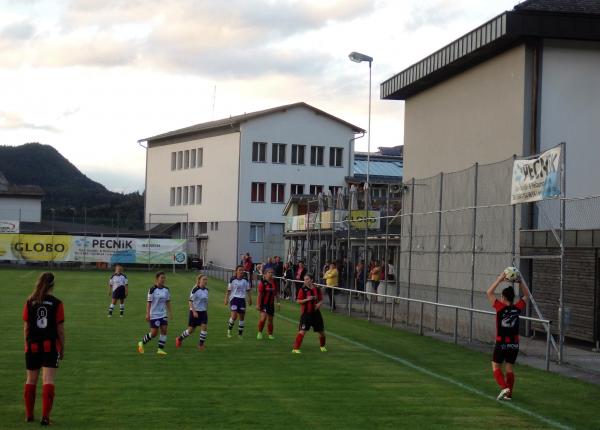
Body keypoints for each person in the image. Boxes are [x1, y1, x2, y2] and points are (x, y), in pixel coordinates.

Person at [22, 272, 65, 426]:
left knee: (30, 380)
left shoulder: (29, 302)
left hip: (32, 346)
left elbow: (26, 328)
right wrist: (63, 347)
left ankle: (29, 415)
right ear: (52, 285)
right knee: (48, 380)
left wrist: (26, 345)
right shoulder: (57, 303)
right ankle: (45, 417)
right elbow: (60, 329)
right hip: (50, 346)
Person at [486, 270, 530, 401]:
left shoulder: (500, 307)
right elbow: (527, 295)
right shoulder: (517, 308)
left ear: (503, 298)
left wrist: (499, 279)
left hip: (501, 343)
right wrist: (521, 281)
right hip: (514, 344)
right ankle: (509, 394)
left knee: (495, 365)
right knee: (509, 368)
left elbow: (488, 292)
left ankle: (504, 387)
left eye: (501, 297)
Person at [137, 272, 173, 355]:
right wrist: (147, 314)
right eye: (161, 278)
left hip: (163, 314)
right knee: (154, 333)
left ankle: (160, 349)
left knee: (164, 330)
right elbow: (149, 303)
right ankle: (141, 343)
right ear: (157, 279)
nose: (163, 280)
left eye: (164, 278)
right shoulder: (152, 289)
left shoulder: (166, 290)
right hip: (154, 314)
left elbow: (168, 301)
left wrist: (170, 312)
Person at [292, 273, 327, 353]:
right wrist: (307, 299)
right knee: (302, 331)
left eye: (307, 279)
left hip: (316, 314)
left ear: (311, 280)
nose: (305, 281)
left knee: (322, 332)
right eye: (304, 279)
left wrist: (318, 304)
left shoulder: (317, 289)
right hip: (306, 314)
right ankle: (295, 349)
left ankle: (322, 346)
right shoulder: (302, 290)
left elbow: (321, 300)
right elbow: (298, 301)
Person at [176, 274, 209, 351]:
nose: (205, 281)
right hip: (194, 311)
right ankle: (179, 339)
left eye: (206, 280)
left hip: (203, 312)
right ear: (199, 280)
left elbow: (206, 301)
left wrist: (205, 309)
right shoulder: (195, 290)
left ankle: (200, 345)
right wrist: (194, 311)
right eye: (203, 279)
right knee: (191, 330)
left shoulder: (206, 290)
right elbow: (190, 301)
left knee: (204, 327)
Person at [225, 265, 252, 338]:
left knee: (242, 317)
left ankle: (240, 334)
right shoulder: (232, 279)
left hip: (242, 300)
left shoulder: (245, 280)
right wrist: (226, 299)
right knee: (234, 316)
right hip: (234, 299)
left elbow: (248, 290)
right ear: (236, 271)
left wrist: (249, 299)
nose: (241, 271)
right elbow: (229, 290)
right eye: (239, 270)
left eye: (242, 270)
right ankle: (229, 331)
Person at [256, 268, 279, 340]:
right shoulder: (262, 283)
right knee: (263, 318)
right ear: (265, 274)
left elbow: (276, 293)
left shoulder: (274, 282)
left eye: (272, 272)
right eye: (269, 272)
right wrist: (258, 304)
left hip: (271, 304)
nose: (271, 274)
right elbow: (259, 294)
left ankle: (270, 334)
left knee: (270, 320)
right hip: (264, 304)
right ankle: (259, 332)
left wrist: (278, 302)